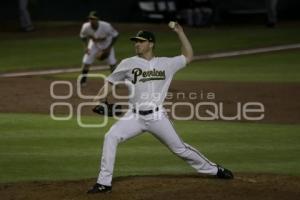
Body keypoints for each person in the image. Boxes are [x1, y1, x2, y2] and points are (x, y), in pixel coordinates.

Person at [87, 22, 233, 194]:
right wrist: (99, 99)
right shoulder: (128, 63)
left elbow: (188, 56)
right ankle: (104, 183)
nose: (137, 44)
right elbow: (110, 81)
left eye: (141, 41)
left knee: (180, 149)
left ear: (151, 43)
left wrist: (180, 32)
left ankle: (215, 170)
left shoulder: (166, 63)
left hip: (157, 117)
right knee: (111, 136)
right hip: (134, 116)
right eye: (136, 41)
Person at [79, 11, 119, 86]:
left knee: (112, 62)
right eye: (90, 19)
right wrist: (86, 47)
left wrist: (109, 48)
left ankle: (114, 82)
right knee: (86, 61)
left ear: (98, 19)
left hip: (107, 44)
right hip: (94, 44)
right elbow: (83, 36)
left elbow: (116, 35)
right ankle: (83, 81)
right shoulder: (86, 27)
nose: (91, 20)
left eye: (94, 19)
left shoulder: (106, 26)